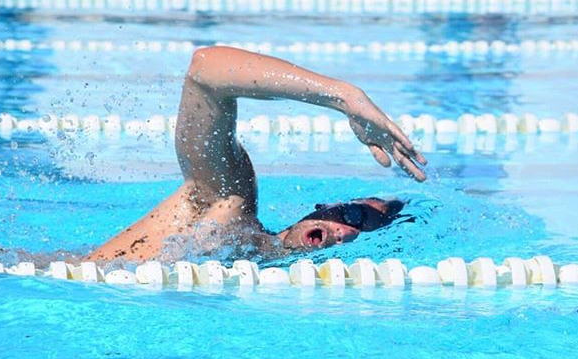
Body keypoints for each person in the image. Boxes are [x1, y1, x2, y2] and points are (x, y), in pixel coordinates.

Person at [86, 46, 427, 263]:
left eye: (364, 233)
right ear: (323, 207)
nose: (348, 230)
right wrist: (343, 96)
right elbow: (205, 71)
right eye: (354, 215)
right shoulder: (228, 202)